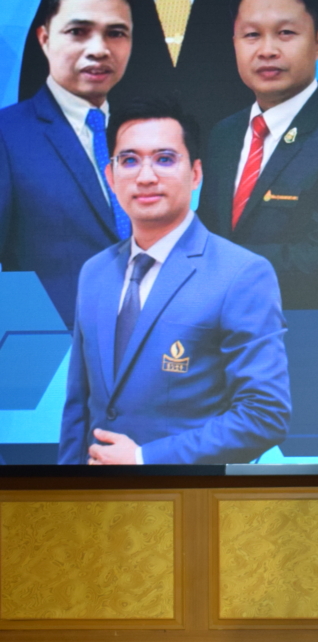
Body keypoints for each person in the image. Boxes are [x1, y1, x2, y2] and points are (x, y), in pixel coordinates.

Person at [58, 96, 290, 465]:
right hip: (96, 497)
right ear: (110, 176)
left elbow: (263, 416)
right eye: (129, 160)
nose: (145, 176)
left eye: (165, 159)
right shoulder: (95, 272)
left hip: (186, 495)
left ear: (196, 173)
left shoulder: (241, 274)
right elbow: (78, 408)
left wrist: (144, 459)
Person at [196, 0, 318, 310]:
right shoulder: (224, 134)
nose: (267, 50)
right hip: (221, 333)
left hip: (310, 335)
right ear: (234, 43)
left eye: (285, 33)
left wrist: (216, 264)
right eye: (252, 35)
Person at [0, 0, 134, 328]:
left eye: (116, 33)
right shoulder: (7, 134)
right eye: (78, 32)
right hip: (53, 347)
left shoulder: (140, 134)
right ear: (45, 38)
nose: (99, 49)